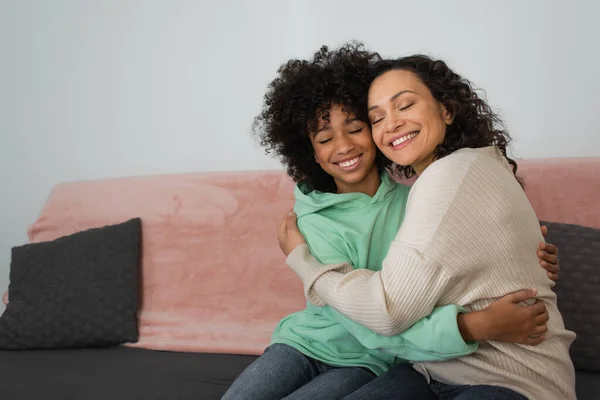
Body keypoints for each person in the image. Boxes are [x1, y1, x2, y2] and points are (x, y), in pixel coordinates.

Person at [223, 45, 561, 400]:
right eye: (324, 139)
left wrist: (522, 252)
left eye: (356, 128)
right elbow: (372, 318)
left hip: (373, 358)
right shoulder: (308, 221)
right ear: (312, 155)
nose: (342, 146)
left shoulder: (420, 198)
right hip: (309, 341)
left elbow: (445, 274)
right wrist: (468, 326)